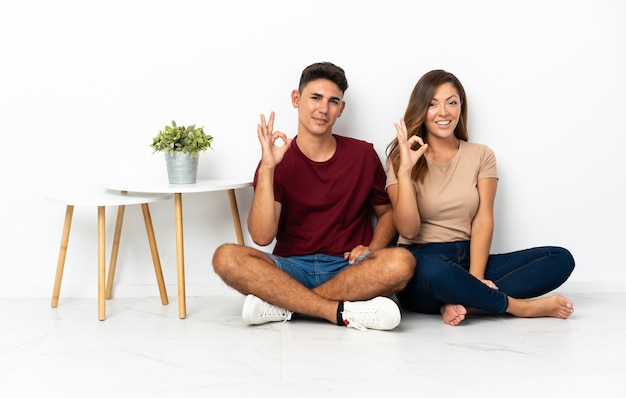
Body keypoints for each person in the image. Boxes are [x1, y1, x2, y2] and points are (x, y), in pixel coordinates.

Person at [212, 62, 416, 331]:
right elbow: (262, 237)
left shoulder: (363, 155)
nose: (323, 109)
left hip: (348, 268)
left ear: (341, 109)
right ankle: (338, 311)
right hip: (290, 268)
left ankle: (286, 306)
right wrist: (269, 169)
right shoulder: (275, 160)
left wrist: (374, 248)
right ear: (296, 99)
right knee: (225, 257)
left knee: (402, 263)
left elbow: (387, 213)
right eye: (315, 98)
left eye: (333, 101)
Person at [385, 69, 575, 326]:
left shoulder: (481, 155)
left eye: (452, 102)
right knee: (435, 269)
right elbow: (408, 228)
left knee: (560, 258)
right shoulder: (402, 157)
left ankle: (466, 302)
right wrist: (405, 172)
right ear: (422, 109)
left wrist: (474, 277)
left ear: (461, 108)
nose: (444, 112)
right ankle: (518, 307)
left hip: (469, 258)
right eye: (433, 104)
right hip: (422, 265)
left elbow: (483, 219)